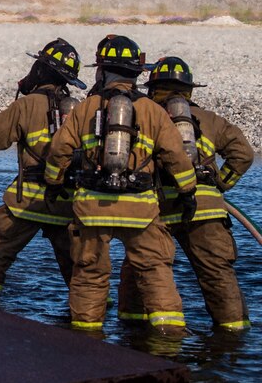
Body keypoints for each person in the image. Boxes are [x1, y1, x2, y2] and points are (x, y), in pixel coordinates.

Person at [43, 34, 197, 334]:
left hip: (93, 208)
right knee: (155, 272)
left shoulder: (86, 109)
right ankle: (169, 339)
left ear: (101, 71)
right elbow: (176, 156)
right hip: (140, 210)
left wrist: (53, 183)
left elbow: (59, 149)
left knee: (90, 274)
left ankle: (87, 338)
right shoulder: (153, 111)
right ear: (136, 74)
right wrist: (188, 192)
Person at [118, 56, 254, 331]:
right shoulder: (210, 119)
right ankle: (233, 339)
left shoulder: (146, 116)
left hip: (157, 208)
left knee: (142, 269)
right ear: (189, 90)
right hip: (205, 208)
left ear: (153, 88)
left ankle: (135, 334)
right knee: (217, 275)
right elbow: (244, 154)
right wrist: (220, 183)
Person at [0, 38, 86, 305]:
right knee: (81, 269)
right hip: (66, 202)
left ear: (41, 71)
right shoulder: (79, 109)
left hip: (27, 202)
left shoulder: (27, 105)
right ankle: (93, 322)